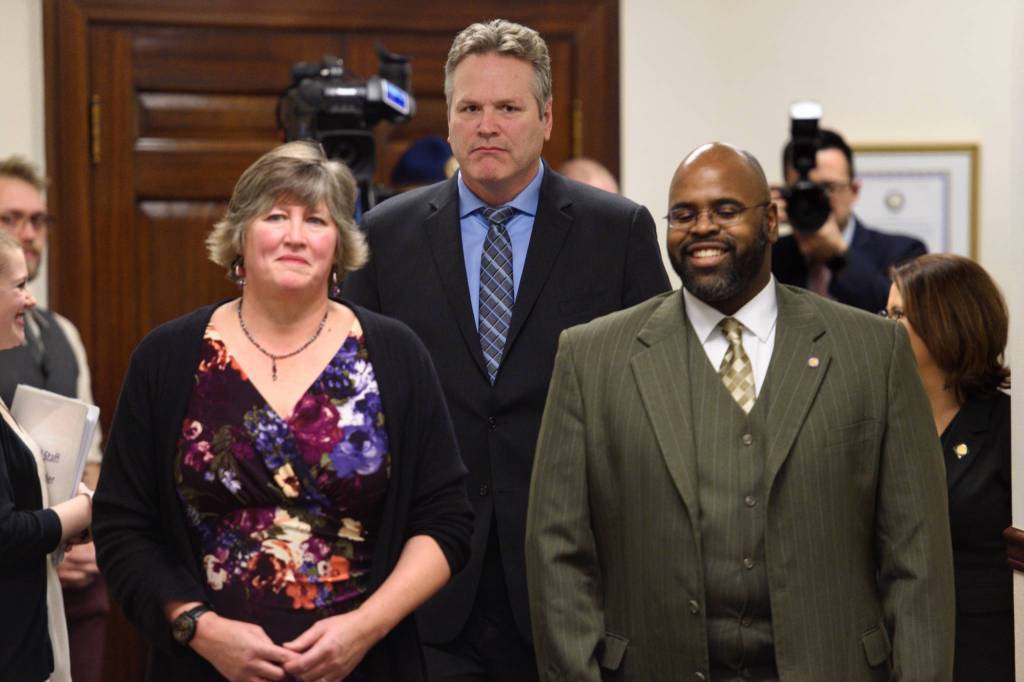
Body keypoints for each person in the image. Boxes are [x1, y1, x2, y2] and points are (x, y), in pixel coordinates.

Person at [526, 142, 955, 681]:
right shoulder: (591, 357)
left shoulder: (874, 351)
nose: (702, 227)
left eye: (726, 210)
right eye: (683, 215)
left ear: (771, 221)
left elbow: (918, 561)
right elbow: (557, 554)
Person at [343, 18, 670, 681]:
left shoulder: (619, 232)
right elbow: (357, 411)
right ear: (450, 119)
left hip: (575, 586)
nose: (486, 125)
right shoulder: (383, 236)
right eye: (470, 108)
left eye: (508, 108)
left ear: (546, 118)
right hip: (426, 588)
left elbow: (655, 406)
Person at [93, 141, 473, 682]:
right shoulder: (168, 357)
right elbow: (123, 522)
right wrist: (197, 626)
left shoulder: (395, 353)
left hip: (365, 666)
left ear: (338, 244)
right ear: (240, 237)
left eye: (316, 220)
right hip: (204, 668)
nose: (295, 236)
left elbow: (446, 520)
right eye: (276, 216)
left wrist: (365, 627)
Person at [0, 154, 109, 682]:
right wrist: (50, 531)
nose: (28, 233)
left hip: (76, 577)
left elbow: (90, 451)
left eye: (38, 220)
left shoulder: (61, 332)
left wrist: (84, 528)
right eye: (10, 219)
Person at [887, 254, 1013, 681]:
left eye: (899, 314)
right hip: (895, 645)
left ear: (948, 322)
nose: (884, 328)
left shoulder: (1006, 429)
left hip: (985, 648)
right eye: (885, 313)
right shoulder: (883, 422)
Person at [771, 129, 926, 312]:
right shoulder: (770, 257)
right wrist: (759, 226)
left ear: (854, 190)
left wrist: (839, 255)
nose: (817, 200)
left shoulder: (903, 251)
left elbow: (901, 320)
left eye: (828, 188)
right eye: (806, 191)